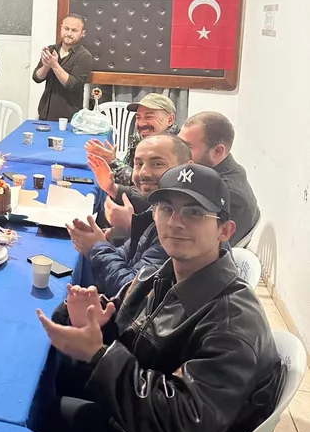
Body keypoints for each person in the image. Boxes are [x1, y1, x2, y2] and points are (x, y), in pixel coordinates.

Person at [37, 163, 283, 432]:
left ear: (224, 230)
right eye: (166, 209)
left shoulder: (234, 323)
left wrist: (100, 355)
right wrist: (86, 319)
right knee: (42, 417)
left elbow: (182, 423)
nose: (176, 222)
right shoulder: (163, 274)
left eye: (194, 212)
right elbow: (122, 326)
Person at [72, 134, 191, 296]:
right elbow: (127, 257)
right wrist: (101, 242)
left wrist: (97, 247)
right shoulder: (159, 206)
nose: (144, 172)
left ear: (187, 168)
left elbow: (132, 291)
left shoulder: (180, 224)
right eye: (138, 164)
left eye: (157, 164)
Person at [180, 111, 259, 245]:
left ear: (217, 151)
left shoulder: (227, 193)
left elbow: (208, 247)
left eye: (187, 147)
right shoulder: (214, 172)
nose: (179, 152)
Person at [85, 92, 178, 186]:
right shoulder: (140, 138)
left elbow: (144, 184)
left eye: (149, 117)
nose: (141, 123)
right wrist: (111, 160)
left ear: (170, 120)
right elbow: (128, 169)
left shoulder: (174, 149)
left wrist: (113, 162)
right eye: (138, 117)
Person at [33, 14, 93, 121]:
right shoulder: (51, 49)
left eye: (74, 30)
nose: (69, 33)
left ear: (82, 33)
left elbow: (72, 84)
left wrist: (54, 65)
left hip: (69, 117)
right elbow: (37, 77)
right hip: (45, 114)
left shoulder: (84, 56)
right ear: (61, 28)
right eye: (66, 28)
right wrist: (46, 66)